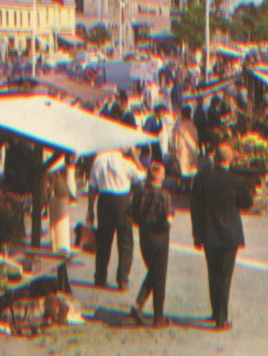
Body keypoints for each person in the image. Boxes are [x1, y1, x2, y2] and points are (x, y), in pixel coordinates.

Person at [190, 143, 253, 331]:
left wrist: (196, 233)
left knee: (213, 273)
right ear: (230, 159)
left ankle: (215, 311)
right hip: (229, 235)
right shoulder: (236, 181)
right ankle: (221, 318)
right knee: (225, 276)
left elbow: (195, 207)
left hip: (209, 233)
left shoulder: (201, 178)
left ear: (214, 158)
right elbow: (247, 203)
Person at [86, 149, 145, 290]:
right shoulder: (126, 162)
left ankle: (100, 277)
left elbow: (92, 186)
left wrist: (90, 209)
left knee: (103, 241)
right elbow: (141, 176)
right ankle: (123, 278)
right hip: (122, 201)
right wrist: (136, 158)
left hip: (104, 200)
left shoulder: (98, 160)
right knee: (125, 241)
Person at [127, 162, 174, 328]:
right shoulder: (164, 195)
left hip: (144, 236)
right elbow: (169, 219)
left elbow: (130, 214)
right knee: (159, 276)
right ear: (161, 177)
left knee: (153, 272)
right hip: (160, 237)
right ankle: (158, 317)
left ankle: (138, 305)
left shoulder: (139, 193)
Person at [171, 104, 200, 189]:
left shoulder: (179, 127)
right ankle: (188, 188)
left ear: (182, 114)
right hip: (191, 154)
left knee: (180, 173)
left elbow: (174, 142)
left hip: (181, 153)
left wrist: (174, 152)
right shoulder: (193, 127)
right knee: (190, 173)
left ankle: (179, 188)